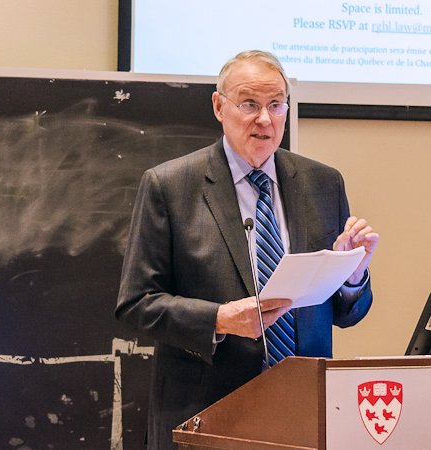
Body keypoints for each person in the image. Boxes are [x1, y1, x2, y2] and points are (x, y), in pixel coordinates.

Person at [116, 50, 379, 449]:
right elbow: (136, 305)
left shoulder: (322, 184)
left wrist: (352, 274)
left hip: (304, 414)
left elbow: (346, 315)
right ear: (219, 106)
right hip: (206, 414)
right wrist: (219, 319)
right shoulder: (170, 186)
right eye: (249, 104)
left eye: (276, 105)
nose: (264, 119)